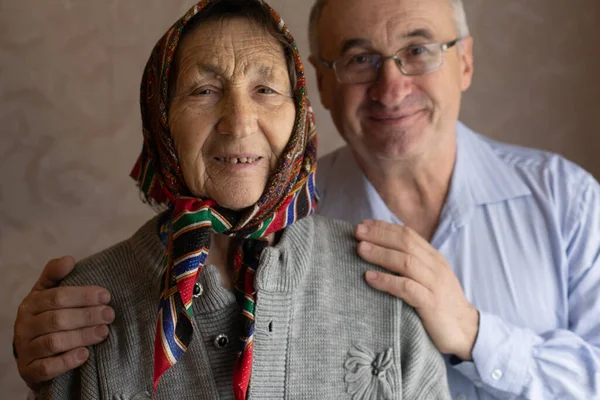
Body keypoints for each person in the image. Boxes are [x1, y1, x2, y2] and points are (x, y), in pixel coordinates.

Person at [14, 0, 600, 398]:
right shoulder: (105, 299)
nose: (391, 86)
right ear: (320, 83)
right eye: (360, 58)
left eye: (420, 50)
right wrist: (42, 348)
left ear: (465, 59)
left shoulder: (565, 200)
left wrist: (474, 334)